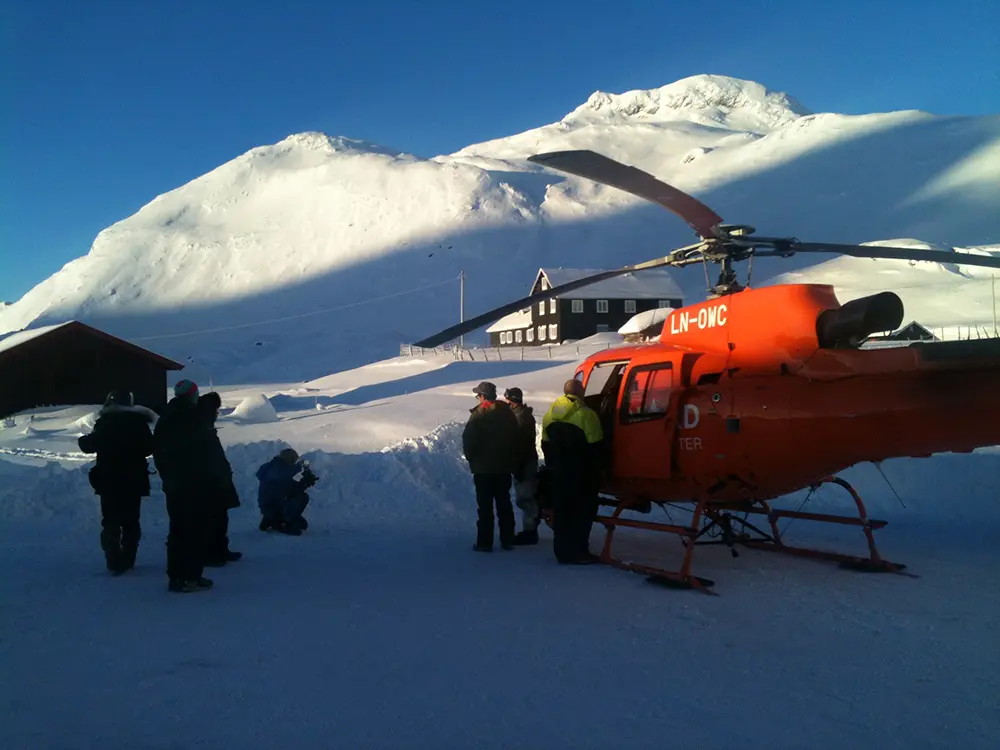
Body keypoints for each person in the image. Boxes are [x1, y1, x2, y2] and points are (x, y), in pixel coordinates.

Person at [153, 379, 222, 593]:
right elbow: (204, 453)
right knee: (194, 530)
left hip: (174, 483)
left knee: (178, 530)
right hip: (194, 483)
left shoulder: (166, 417)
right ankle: (190, 576)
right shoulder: (193, 418)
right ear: (193, 394)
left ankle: (177, 576)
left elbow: (159, 451)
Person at [77, 389, 156, 575]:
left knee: (111, 521)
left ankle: (113, 560)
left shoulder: (105, 423)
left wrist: (85, 439)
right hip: (134, 480)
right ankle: (128, 558)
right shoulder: (139, 423)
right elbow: (150, 447)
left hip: (108, 480)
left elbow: (87, 445)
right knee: (131, 521)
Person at [540, 378, 605, 564]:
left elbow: (545, 444)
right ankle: (579, 551)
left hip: (559, 473)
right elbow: (596, 447)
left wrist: (554, 466)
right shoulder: (586, 414)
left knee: (562, 511)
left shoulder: (550, 414)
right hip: (581, 474)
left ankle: (561, 551)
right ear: (580, 392)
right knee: (583, 511)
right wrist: (599, 472)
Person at [462, 381, 520, 551]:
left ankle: (485, 542)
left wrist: (472, 459)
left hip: (483, 470)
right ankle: (507, 539)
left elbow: (469, 441)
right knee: (504, 503)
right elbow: (516, 438)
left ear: (482, 396)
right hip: (503, 468)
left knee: (485, 506)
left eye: (478, 395)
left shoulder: (479, 415)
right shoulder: (507, 413)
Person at [196, 392, 242, 566]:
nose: (217, 413)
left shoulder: (205, 426)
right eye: (216, 409)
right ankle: (212, 553)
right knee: (212, 519)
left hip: (217, 480)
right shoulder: (201, 427)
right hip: (210, 482)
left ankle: (220, 550)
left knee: (220, 518)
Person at [504, 387, 541, 545]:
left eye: (507, 401)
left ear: (513, 402)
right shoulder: (520, 416)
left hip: (524, 463)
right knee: (524, 498)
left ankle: (530, 531)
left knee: (526, 498)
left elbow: (521, 446)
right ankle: (530, 529)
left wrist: (518, 466)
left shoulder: (520, 418)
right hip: (524, 462)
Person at [256, 448, 318, 535]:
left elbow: (285, 485)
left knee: (303, 525)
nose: (294, 463)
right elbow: (289, 486)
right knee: (303, 497)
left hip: (267, 504)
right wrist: (304, 481)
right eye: (294, 460)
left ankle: (269, 519)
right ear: (290, 459)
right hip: (273, 505)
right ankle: (285, 523)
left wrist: (303, 482)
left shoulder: (271, 466)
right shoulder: (279, 468)